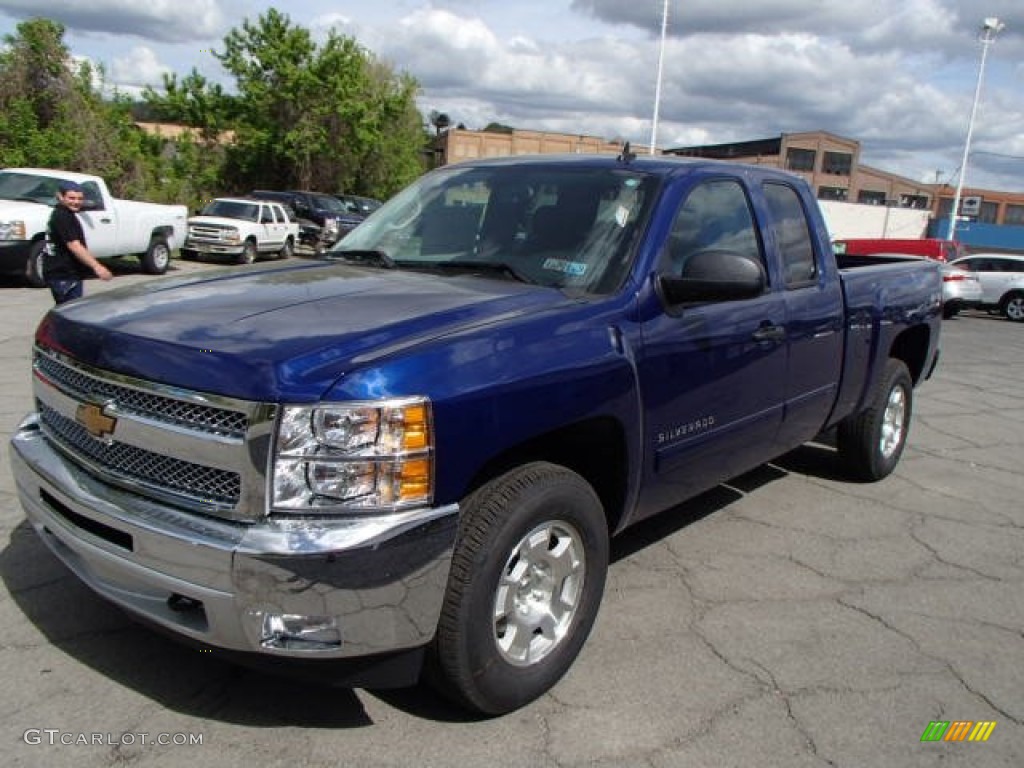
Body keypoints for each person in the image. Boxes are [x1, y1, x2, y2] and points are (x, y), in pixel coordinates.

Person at [45, 181, 112, 304]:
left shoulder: (64, 214)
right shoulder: (63, 216)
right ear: (60, 196)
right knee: (70, 312)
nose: (76, 202)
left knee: (67, 311)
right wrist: (97, 267)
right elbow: (74, 246)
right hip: (64, 275)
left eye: (79, 199)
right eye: (71, 198)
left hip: (65, 273)